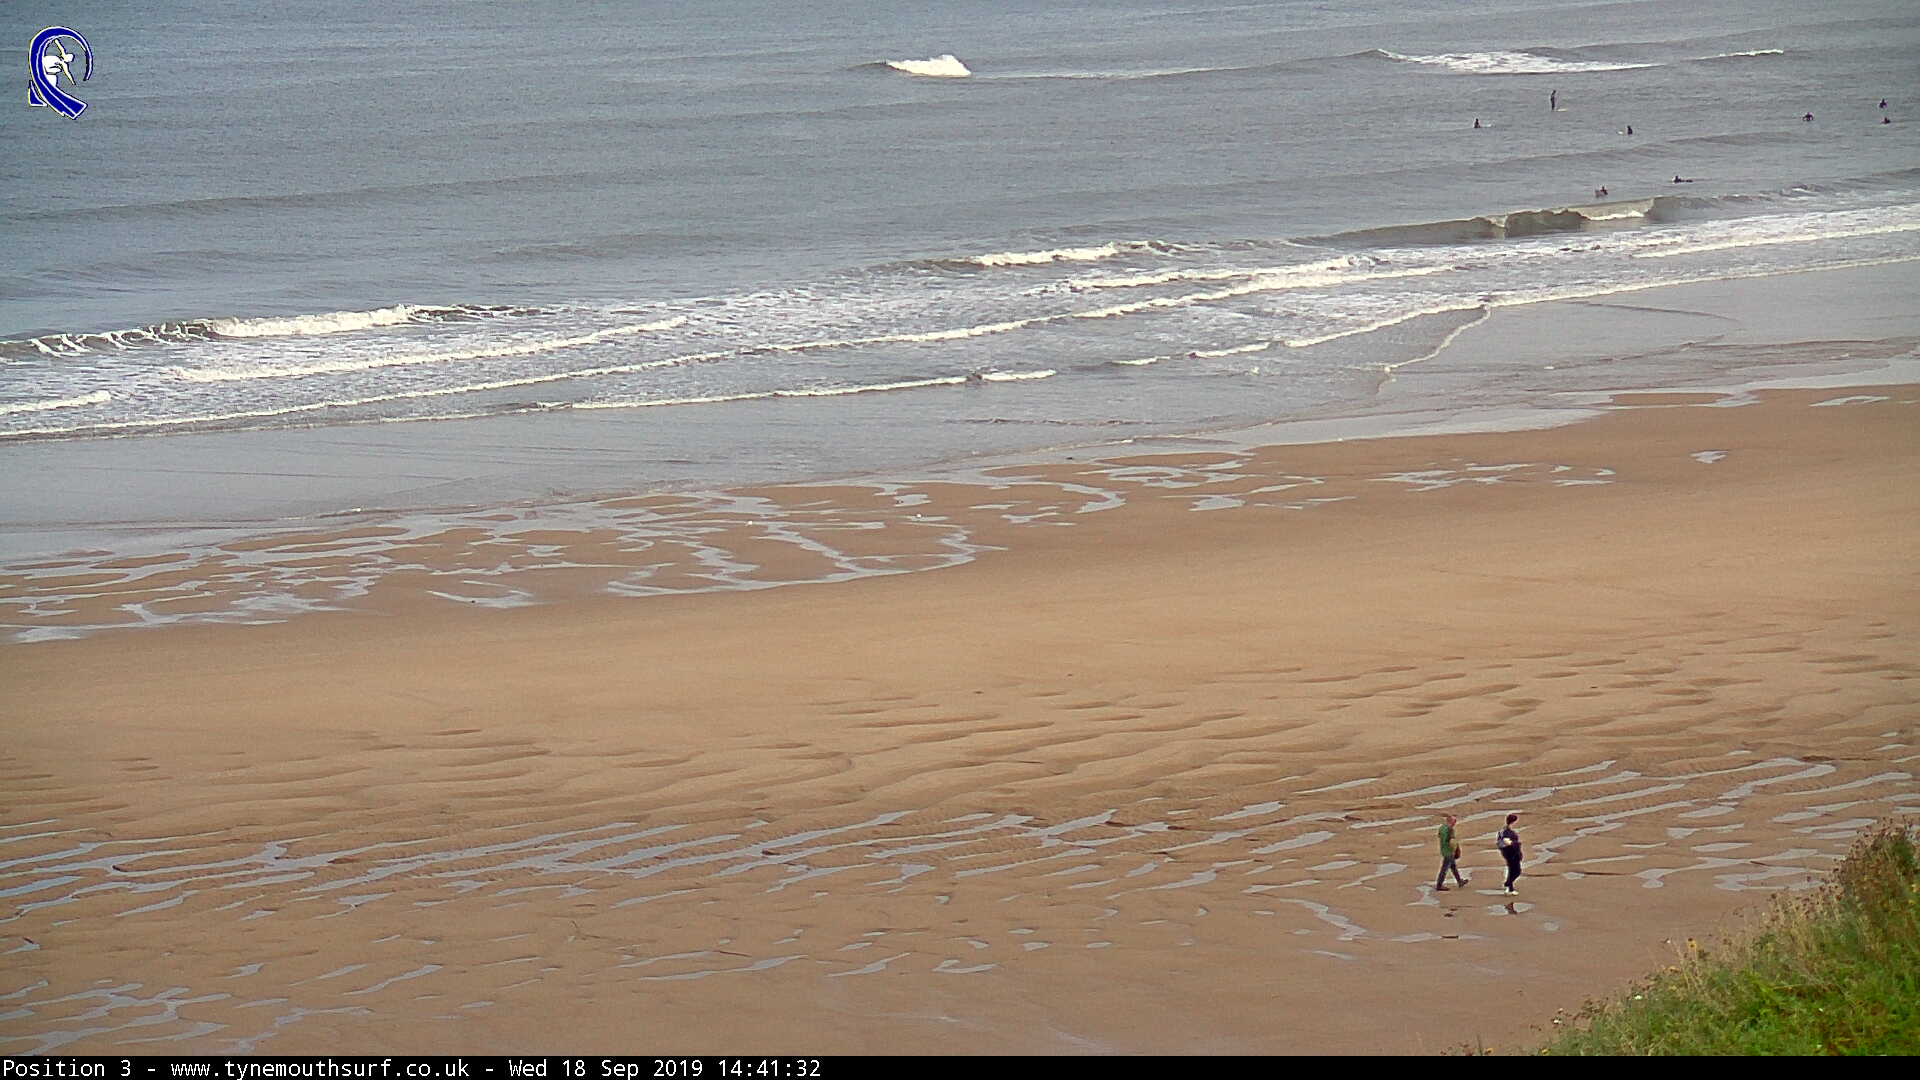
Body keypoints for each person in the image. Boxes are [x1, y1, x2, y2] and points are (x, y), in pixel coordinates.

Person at [1435, 815, 1466, 891]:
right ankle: (1439, 885)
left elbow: (1439, 836)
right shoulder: (1450, 830)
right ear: (1450, 821)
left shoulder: (1441, 828)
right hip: (1448, 851)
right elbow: (1452, 842)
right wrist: (1456, 850)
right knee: (1444, 868)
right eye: (1454, 821)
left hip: (1443, 849)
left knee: (1453, 866)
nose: (1455, 822)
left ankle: (1460, 881)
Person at [1497, 814, 1523, 894]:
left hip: (1508, 853)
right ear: (1513, 822)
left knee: (1511, 870)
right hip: (1511, 853)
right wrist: (1515, 843)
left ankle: (1510, 887)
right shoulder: (1508, 831)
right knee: (1516, 871)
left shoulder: (1504, 830)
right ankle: (1508, 884)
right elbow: (1506, 841)